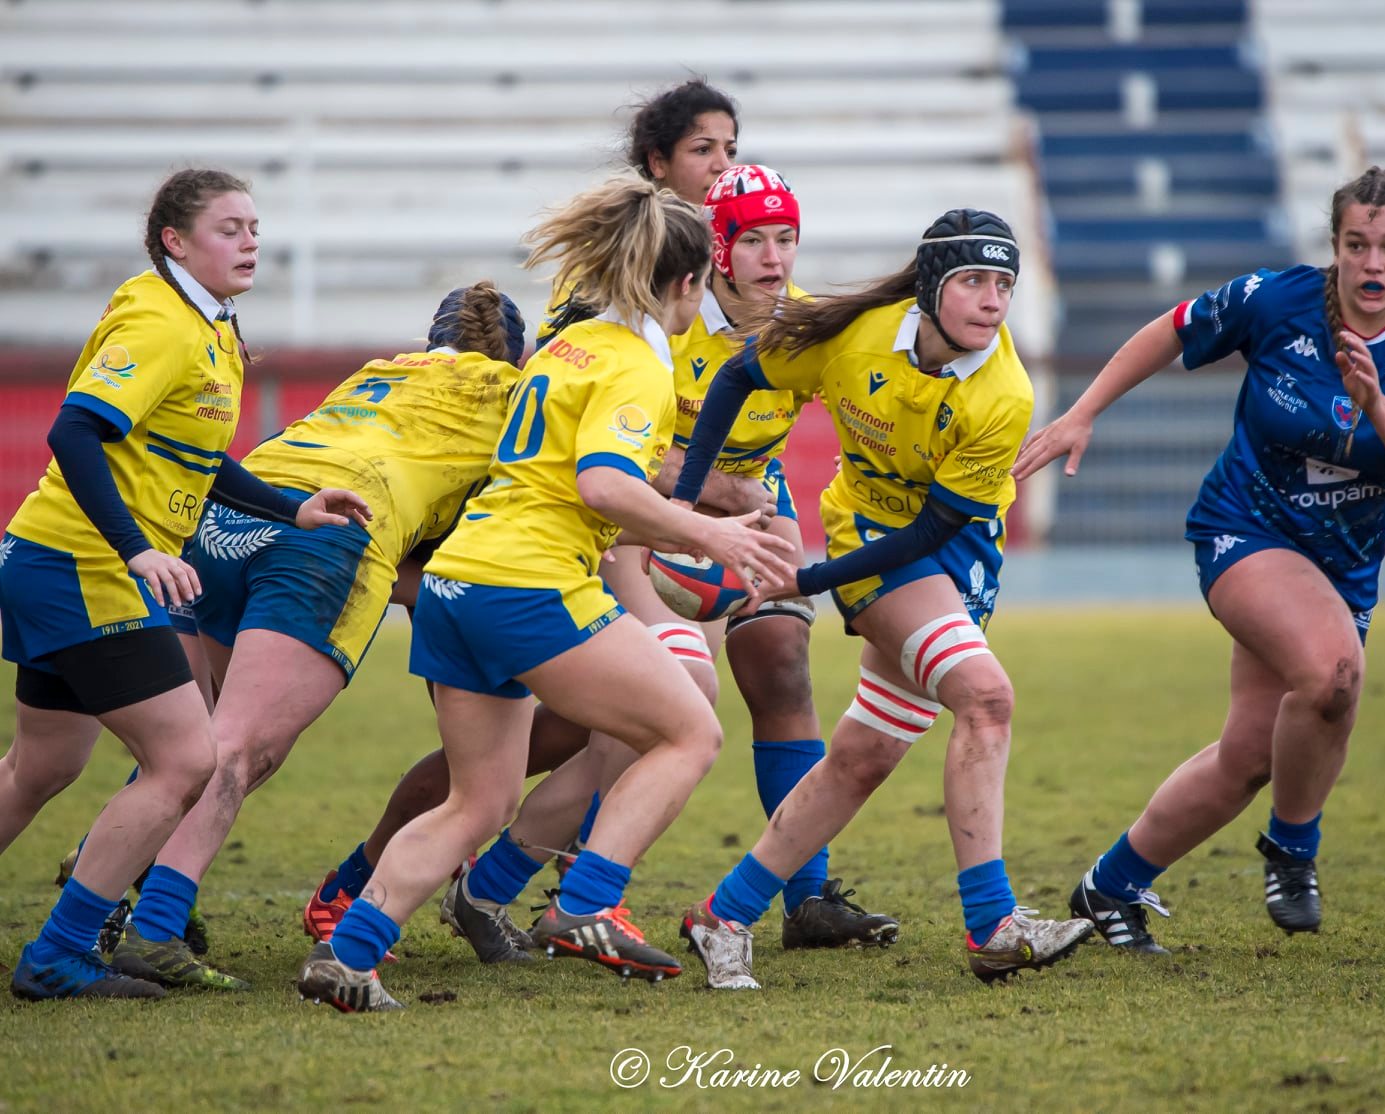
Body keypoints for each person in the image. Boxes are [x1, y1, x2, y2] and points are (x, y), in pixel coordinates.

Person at [295, 176, 796, 1011]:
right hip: (527, 583)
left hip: (460, 579)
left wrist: (677, 528)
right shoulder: (637, 365)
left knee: (477, 801)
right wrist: (710, 532)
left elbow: (562, 487)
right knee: (689, 732)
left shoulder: (571, 344)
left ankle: (348, 955)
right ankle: (588, 902)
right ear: (686, 283)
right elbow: (602, 486)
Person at [1011, 166, 1385, 952]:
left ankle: (1109, 886)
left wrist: (1376, 407)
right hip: (1244, 532)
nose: (1371, 264)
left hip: (1343, 566)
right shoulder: (1277, 300)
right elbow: (1171, 326)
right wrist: (1081, 412)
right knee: (1333, 674)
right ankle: (1292, 853)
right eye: (1356, 245)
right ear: (1333, 247)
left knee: (1248, 755)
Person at [441, 164, 898, 958]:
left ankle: (807, 893)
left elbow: (879, 401)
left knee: (773, 673)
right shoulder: (634, 323)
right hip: (632, 532)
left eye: (786, 237)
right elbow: (595, 454)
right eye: (752, 238)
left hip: (730, 526)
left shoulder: (808, 327)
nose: (773, 257)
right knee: (660, 710)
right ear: (710, 255)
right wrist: (709, 496)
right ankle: (541, 892)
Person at [671, 209, 1095, 989]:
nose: (992, 300)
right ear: (931, 286)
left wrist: (800, 581)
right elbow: (738, 376)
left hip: (951, 551)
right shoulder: (858, 333)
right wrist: (685, 503)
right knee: (986, 697)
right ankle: (993, 923)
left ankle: (720, 916)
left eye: (1004, 284)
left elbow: (936, 527)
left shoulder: (1004, 393)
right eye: (973, 280)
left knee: (860, 760)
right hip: (868, 540)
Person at [83, 282, 534, 990]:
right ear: (520, 353)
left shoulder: (381, 372)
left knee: (199, 746)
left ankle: (109, 872)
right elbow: (475, 548)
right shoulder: (511, 397)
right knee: (237, 747)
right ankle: (156, 929)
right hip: (326, 537)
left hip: (229, 513)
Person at [0, 168, 368, 1001]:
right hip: (82, 569)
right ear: (174, 239)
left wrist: (293, 508)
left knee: (41, 767)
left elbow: (197, 460)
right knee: (186, 760)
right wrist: (134, 550)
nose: (251, 242)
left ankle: (67, 946)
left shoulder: (206, 322)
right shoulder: (163, 321)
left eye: (254, 228)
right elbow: (74, 431)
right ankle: (59, 957)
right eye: (229, 228)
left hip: (58, 564)